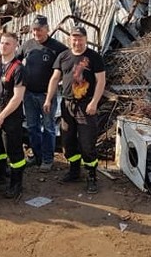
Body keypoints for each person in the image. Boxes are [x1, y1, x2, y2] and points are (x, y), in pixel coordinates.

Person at [45, 26, 106, 194]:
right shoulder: (63, 56)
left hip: (86, 106)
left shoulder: (94, 57)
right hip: (67, 105)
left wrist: (94, 102)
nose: (76, 42)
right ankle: (74, 171)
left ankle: (92, 176)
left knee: (87, 144)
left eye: (80, 38)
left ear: (85, 39)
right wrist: (49, 99)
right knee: (68, 142)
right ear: (69, 39)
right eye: (74, 38)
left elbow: (101, 81)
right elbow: (55, 78)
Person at [19, 15, 67, 172]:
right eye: (33, 30)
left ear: (47, 28)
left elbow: (69, 62)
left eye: (39, 30)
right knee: (32, 127)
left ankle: (47, 159)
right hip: (29, 94)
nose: (36, 33)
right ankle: (37, 156)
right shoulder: (27, 45)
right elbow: (15, 61)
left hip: (47, 96)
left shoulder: (57, 48)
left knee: (48, 127)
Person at [0, 32, 27, 198]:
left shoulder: (18, 69)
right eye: (2, 43)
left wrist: (2, 116)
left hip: (10, 118)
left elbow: (17, 97)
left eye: (8, 43)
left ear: (15, 46)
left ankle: (16, 184)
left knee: (14, 151)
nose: (3, 46)